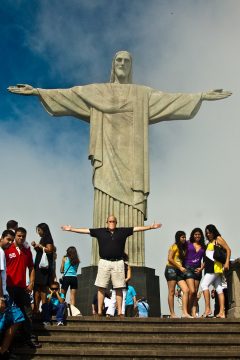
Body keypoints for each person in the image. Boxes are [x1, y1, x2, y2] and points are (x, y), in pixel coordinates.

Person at [8, 51, 231, 267]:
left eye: (127, 60)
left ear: (131, 66)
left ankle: (132, 262)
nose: (122, 63)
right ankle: (103, 262)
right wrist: (38, 92)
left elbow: (171, 100)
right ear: (113, 66)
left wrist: (200, 96)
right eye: (118, 60)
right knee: (103, 202)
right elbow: (70, 95)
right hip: (106, 158)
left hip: (133, 163)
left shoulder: (142, 94)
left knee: (132, 209)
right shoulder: (98, 92)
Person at [61, 215, 161, 316]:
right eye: (109, 221)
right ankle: (99, 311)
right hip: (104, 262)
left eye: (113, 221)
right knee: (101, 287)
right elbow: (86, 230)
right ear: (107, 222)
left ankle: (120, 312)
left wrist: (150, 227)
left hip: (118, 263)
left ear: (116, 223)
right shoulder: (100, 231)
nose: (111, 223)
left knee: (119, 287)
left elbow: (136, 229)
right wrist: (71, 229)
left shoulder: (122, 231)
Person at [5, 227, 41, 349]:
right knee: (8, 314)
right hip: (8, 288)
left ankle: (29, 338)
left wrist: (31, 283)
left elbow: (31, 268)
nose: (21, 238)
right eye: (19, 236)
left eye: (23, 236)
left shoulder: (27, 251)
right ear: (15, 236)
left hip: (22, 288)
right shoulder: (6, 249)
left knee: (28, 313)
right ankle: (8, 344)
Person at [0, 230, 25, 358]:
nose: (9, 242)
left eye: (11, 240)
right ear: (1, 238)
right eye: (7, 239)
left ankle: (3, 350)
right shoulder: (0, 252)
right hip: (2, 295)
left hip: (5, 294)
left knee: (17, 317)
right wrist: (1, 298)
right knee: (17, 317)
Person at [201, 224, 231, 318]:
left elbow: (228, 249)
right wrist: (202, 267)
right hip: (210, 268)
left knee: (204, 285)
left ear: (214, 232)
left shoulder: (218, 238)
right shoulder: (210, 241)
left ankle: (207, 309)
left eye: (210, 232)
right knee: (219, 289)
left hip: (214, 268)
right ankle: (222, 312)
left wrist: (226, 263)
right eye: (207, 233)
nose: (208, 234)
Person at [164, 231, 192, 318]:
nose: (184, 239)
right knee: (171, 292)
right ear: (178, 238)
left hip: (179, 271)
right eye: (182, 237)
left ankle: (185, 313)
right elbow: (170, 259)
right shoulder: (174, 246)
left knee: (186, 290)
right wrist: (180, 267)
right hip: (171, 269)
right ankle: (172, 314)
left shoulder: (183, 248)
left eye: (184, 237)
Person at [31, 223, 54, 313]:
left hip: (43, 270)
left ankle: (43, 309)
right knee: (37, 288)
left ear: (43, 230)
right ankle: (36, 309)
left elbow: (49, 249)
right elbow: (42, 251)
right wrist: (35, 246)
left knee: (42, 288)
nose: (38, 232)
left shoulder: (48, 238)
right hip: (40, 268)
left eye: (39, 230)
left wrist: (40, 246)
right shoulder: (43, 238)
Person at [184, 228, 205, 317]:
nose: (197, 236)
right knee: (191, 291)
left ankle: (193, 312)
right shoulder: (188, 243)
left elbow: (206, 260)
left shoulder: (204, 246)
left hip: (197, 270)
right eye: (195, 234)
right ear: (193, 235)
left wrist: (201, 268)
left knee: (195, 293)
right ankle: (187, 311)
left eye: (199, 234)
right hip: (188, 268)